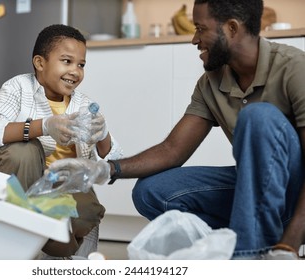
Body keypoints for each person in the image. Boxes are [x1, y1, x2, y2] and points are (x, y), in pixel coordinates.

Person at [47, 0, 305, 260]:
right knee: (151, 191)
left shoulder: (294, 68)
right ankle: (233, 241)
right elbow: (173, 150)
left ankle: (252, 254)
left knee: (258, 116)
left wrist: (290, 246)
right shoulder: (211, 82)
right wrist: (105, 169)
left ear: (232, 28)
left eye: (201, 29)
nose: (194, 39)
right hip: (254, 192)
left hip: (295, 193)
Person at [0, 24, 123, 259]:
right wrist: (43, 126)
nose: (75, 71)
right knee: (23, 150)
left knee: (88, 209)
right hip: (22, 185)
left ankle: (42, 244)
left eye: (81, 65)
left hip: (62, 187)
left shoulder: (84, 105)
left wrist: (102, 134)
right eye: (66, 61)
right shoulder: (18, 88)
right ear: (40, 63)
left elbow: (115, 162)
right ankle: (20, 231)